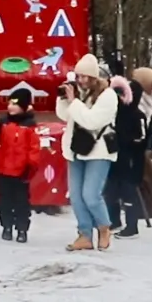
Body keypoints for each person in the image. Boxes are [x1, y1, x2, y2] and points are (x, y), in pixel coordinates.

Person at [57, 54, 118, 251]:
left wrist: (74, 101)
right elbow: (66, 116)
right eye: (78, 76)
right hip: (76, 149)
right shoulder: (79, 92)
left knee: (91, 195)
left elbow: (91, 121)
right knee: (76, 196)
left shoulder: (108, 95)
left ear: (94, 76)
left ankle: (103, 227)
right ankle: (84, 234)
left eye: (85, 77)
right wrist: (63, 100)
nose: (81, 81)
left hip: (99, 150)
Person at [0, 89, 41, 243]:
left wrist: (30, 167)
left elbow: (34, 148)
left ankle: (22, 229)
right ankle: (7, 227)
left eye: (15, 104)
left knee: (21, 203)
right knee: (4, 201)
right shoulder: (4, 122)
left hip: (21, 172)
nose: (11, 107)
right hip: (3, 170)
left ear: (24, 107)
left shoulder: (29, 126)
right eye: (10, 103)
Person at [105, 76, 147, 239]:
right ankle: (114, 221)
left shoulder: (138, 115)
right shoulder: (114, 113)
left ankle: (132, 226)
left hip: (131, 162)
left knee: (129, 194)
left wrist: (124, 140)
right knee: (111, 192)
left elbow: (141, 138)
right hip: (115, 159)